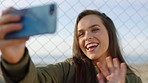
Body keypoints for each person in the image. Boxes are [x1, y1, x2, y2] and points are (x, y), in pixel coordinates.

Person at [0, 7, 142, 83]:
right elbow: (35, 80)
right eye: (81, 34)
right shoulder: (69, 68)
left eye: (95, 29)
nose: (87, 37)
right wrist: (16, 60)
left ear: (110, 33)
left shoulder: (132, 80)